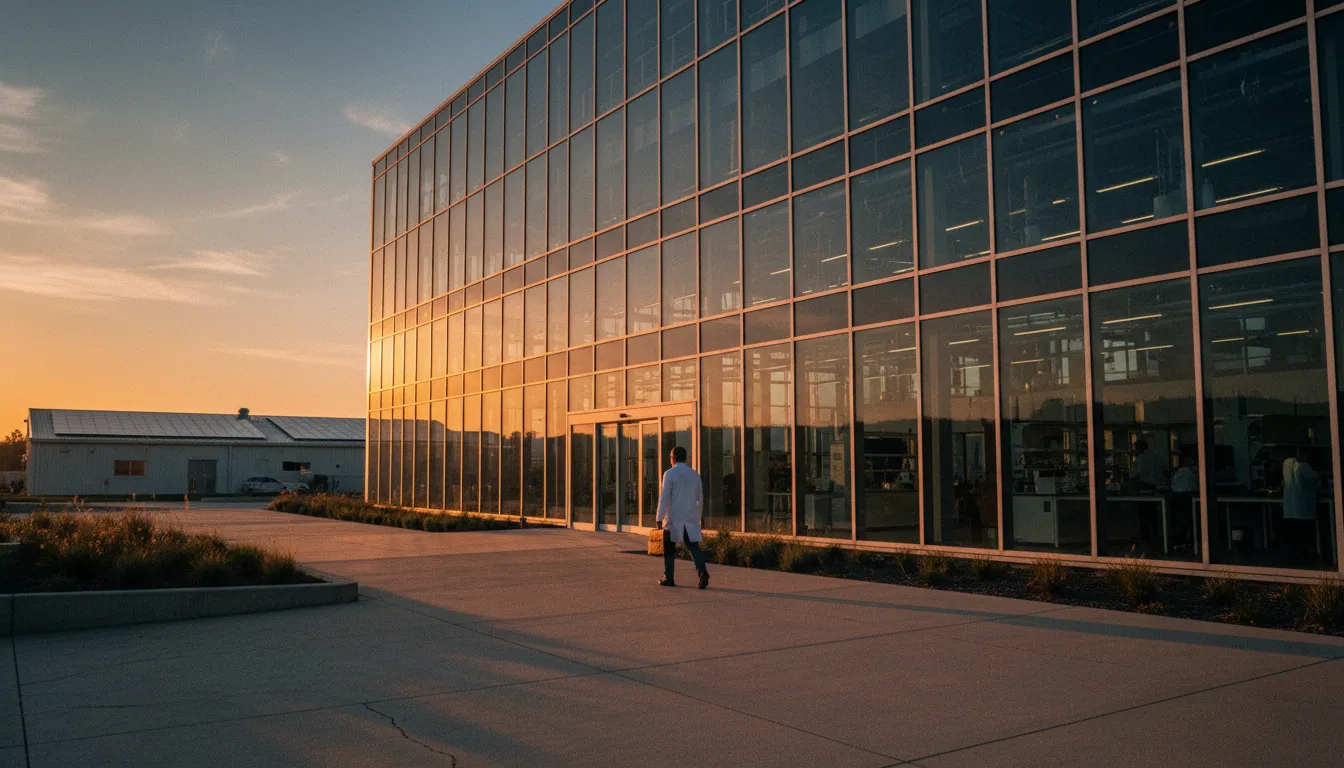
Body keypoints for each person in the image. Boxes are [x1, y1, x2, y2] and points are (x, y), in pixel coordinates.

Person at [656, 445, 709, 589]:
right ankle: (702, 572)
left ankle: (669, 577)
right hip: (690, 516)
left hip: (674, 517)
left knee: (669, 548)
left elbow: (664, 498)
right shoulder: (694, 474)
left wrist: (659, 517)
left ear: (674, 458)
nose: (670, 459)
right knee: (693, 546)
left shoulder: (669, 474)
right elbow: (700, 498)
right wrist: (699, 516)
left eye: (670, 457)